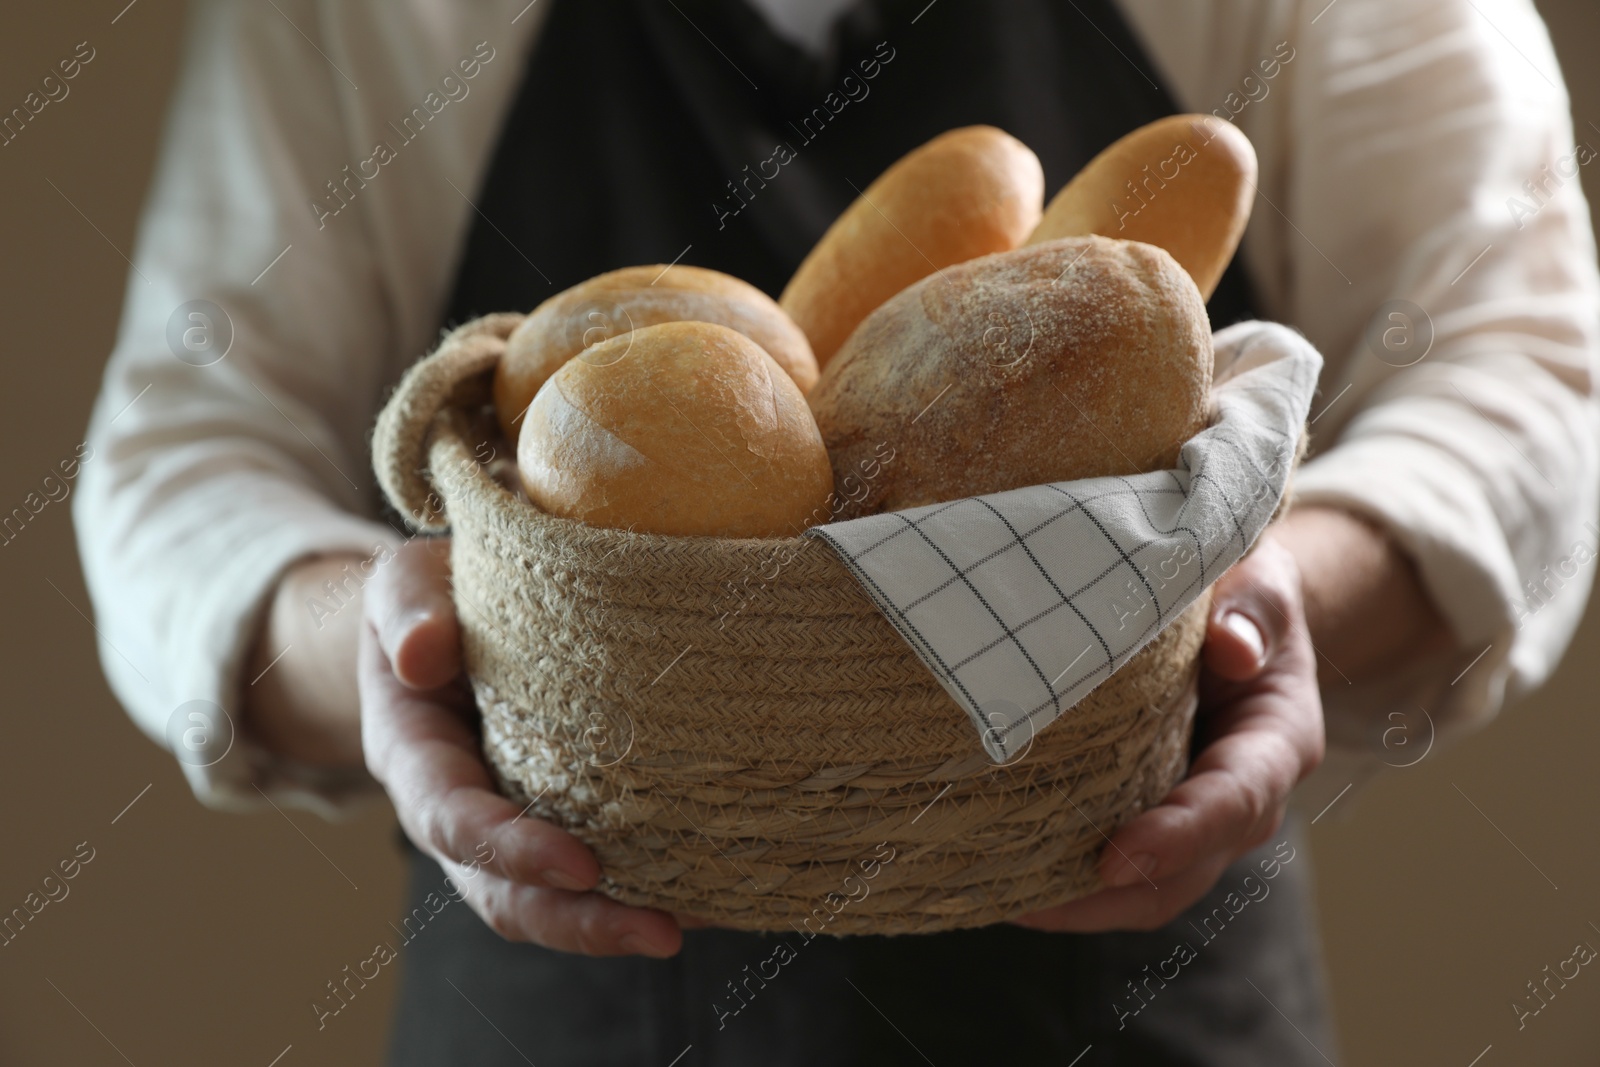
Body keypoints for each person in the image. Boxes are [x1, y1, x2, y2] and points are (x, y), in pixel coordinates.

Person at [74, 0, 1599, 1063]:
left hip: (1137, 993)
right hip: (565, 1007)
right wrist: (410, 642)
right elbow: (181, 462)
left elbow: (1521, 369)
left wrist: (1264, 595)